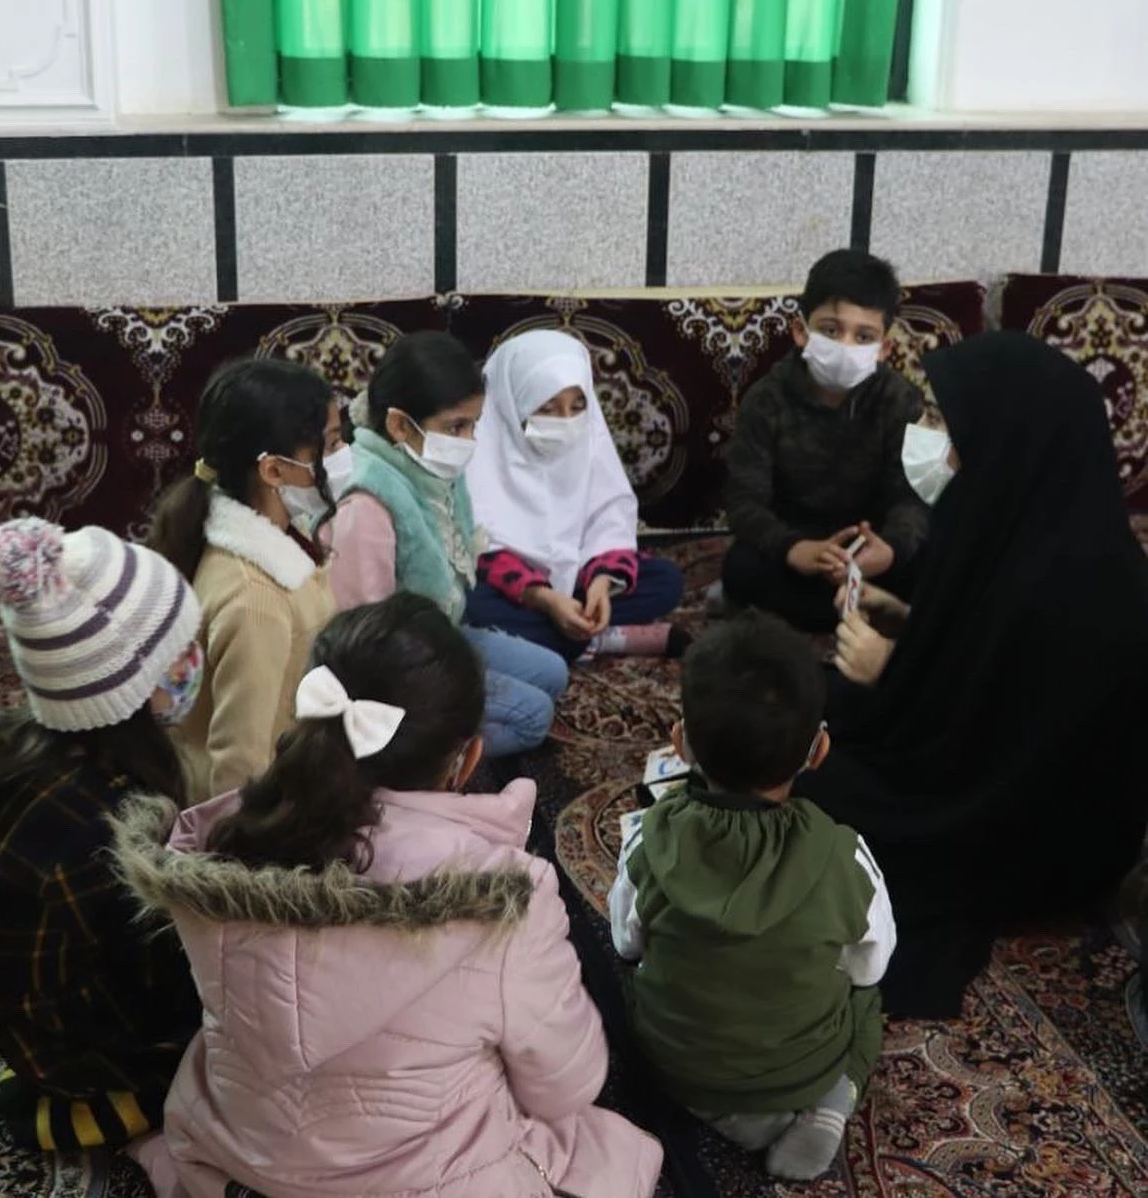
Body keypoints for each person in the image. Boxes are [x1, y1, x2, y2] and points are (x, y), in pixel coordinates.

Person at [112, 592, 663, 1198]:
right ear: (466, 758)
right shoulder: (504, 898)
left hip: (241, 1146)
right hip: (423, 1181)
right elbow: (565, 1086)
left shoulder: (217, 840)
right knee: (604, 1150)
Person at [806, 331, 1148, 1018]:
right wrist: (906, 625)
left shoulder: (1084, 590)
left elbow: (1002, 746)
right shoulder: (1021, 518)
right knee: (804, 711)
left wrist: (890, 671)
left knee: (809, 775)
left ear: (1006, 434)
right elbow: (986, 648)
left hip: (1039, 839)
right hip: (987, 769)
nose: (931, 436)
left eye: (945, 421)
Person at [0, 517, 204, 1152]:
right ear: (133, 683)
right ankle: (86, 1108)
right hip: (75, 1057)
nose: (195, 660)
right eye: (180, 650)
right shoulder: (108, 824)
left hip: (24, 1022)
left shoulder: (20, 746)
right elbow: (166, 983)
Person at [609, 610, 894, 1181]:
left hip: (676, 1070)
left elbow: (626, 943)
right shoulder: (846, 857)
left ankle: (730, 1112)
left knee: (624, 980)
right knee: (868, 1004)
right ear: (818, 750)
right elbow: (870, 964)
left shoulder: (648, 839)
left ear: (680, 743)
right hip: (797, 1075)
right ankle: (833, 1099)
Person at [325, 331, 568, 758]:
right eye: (456, 426)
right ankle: (401, 763)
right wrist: (443, 682)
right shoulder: (367, 503)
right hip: (393, 666)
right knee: (532, 716)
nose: (469, 441)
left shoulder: (426, 467)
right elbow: (365, 642)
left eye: (474, 424)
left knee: (553, 672)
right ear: (400, 425)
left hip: (437, 634)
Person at [148, 357, 341, 802]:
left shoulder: (271, 542)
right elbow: (239, 767)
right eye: (331, 445)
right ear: (273, 470)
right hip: (267, 810)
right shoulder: (256, 601)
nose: (345, 456)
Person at [716, 249, 929, 632]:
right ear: (801, 332)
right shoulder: (766, 399)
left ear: (883, 349)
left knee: (939, 559)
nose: (846, 345)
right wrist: (794, 549)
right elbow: (744, 501)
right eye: (831, 331)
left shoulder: (902, 401)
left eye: (863, 337)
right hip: (797, 548)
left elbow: (914, 495)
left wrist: (890, 549)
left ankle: (846, 606)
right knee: (741, 568)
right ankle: (864, 610)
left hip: (872, 548)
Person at [463, 329, 687, 662]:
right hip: (513, 591)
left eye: (577, 405)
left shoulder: (587, 437)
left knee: (666, 580)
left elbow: (609, 518)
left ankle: (570, 632)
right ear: (512, 403)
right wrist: (546, 599)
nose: (566, 421)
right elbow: (479, 549)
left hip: (577, 581)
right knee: (470, 604)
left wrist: (601, 585)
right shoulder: (475, 449)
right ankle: (598, 640)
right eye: (547, 408)